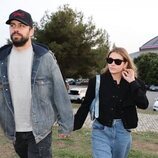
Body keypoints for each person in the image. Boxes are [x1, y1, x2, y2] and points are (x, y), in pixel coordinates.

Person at [0, 9, 73, 158]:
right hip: (14, 129)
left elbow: (59, 90)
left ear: (31, 31)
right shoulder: (2, 59)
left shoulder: (45, 57)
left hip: (40, 129)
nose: (16, 29)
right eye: (12, 25)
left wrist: (65, 124)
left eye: (21, 26)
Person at [73, 47, 149, 158]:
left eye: (117, 62)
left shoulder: (136, 83)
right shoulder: (97, 81)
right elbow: (85, 106)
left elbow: (144, 104)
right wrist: (72, 126)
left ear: (125, 64)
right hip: (101, 130)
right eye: (110, 60)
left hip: (123, 132)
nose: (112, 64)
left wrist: (132, 82)